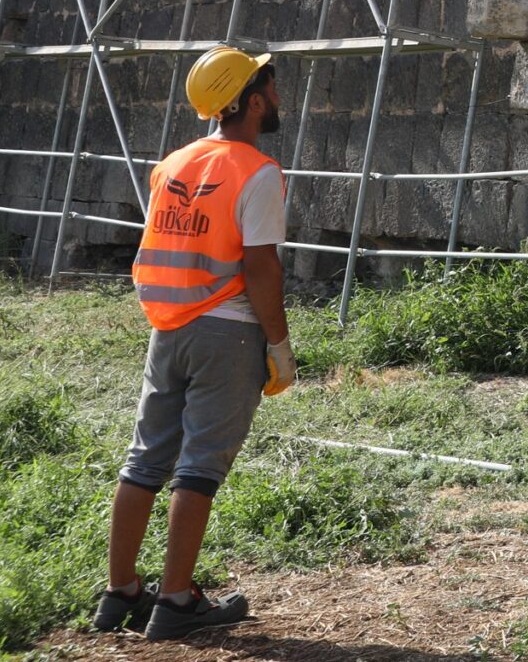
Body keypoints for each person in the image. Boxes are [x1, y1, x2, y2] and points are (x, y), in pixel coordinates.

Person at [96, 47, 295, 638]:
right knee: (199, 466)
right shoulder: (256, 171)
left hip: (168, 327)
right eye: (272, 88)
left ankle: (121, 592)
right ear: (252, 101)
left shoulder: (173, 164)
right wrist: (279, 345)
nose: (280, 99)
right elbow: (261, 269)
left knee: (144, 459)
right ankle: (176, 601)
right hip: (228, 333)